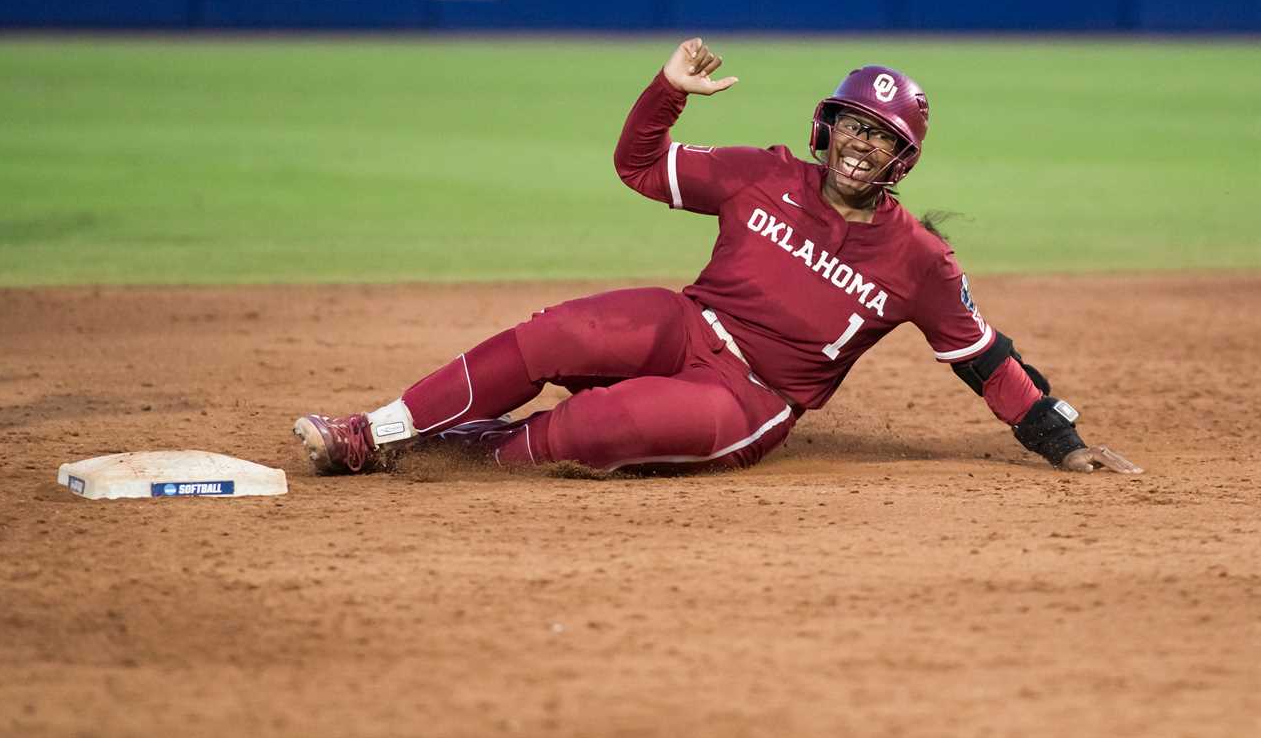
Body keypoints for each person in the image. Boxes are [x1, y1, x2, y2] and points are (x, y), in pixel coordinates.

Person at [293, 38, 1142, 476]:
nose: (859, 144)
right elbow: (636, 166)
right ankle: (373, 433)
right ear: (827, 126)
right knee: (557, 337)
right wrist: (667, 92)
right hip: (686, 323)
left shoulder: (919, 259)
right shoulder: (762, 174)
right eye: (852, 123)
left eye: (881, 138)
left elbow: (981, 356)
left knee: (603, 428)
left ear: (900, 161)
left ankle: (464, 453)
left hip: (751, 398)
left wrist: (1056, 438)